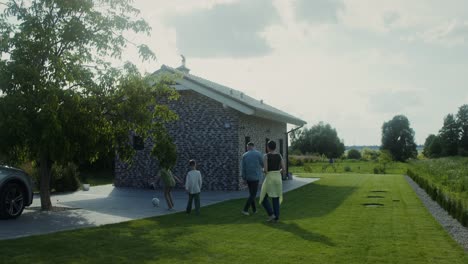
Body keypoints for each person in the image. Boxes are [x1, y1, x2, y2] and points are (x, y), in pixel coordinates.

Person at [259, 140, 285, 222]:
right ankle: (276, 218)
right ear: (275, 147)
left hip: (270, 179)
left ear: (268, 147)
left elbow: (266, 170)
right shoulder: (279, 155)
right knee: (275, 198)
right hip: (278, 178)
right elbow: (284, 169)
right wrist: (277, 172)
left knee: (263, 198)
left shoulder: (266, 156)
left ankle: (271, 214)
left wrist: (262, 169)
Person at [241, 142, 264, 216]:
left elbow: (243, 168)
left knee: (251, 194)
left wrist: (244, 178)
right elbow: (263, 164)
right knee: (253, 194)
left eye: (247, 147)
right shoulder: (258, 154)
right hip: (255, 177)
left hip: (248, 177)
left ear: (249, 147)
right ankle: (245, 209)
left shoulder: (244, 155)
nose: (247, 148)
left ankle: (254, 210)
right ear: (253, 146)